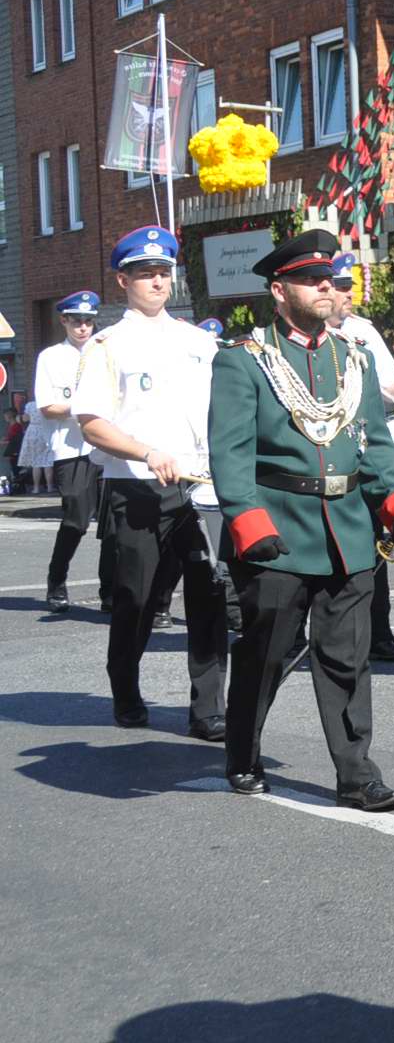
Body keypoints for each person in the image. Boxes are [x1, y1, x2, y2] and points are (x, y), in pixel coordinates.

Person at [210, 229, 394, 808]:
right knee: (266, 654)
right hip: (278, 531)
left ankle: (357, 775)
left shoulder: (354, 360)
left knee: (347, 660)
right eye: (310, 280)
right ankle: (242, 752)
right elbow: (230, 453)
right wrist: (247, 520)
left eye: (328, 279)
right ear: (280, 291)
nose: (326, 287)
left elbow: (373, 444)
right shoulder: (243, 360)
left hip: (348, 531)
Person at [70, 230, 227, 738]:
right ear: (123, 281)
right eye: (145, 274)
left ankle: (208, 708)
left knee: (208, 596)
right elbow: (92, 424)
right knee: (136, 599)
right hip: (138, 487)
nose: (158, 282)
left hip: (200, 487)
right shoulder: (108, 345)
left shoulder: (200, 342)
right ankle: (126, 688)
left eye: (164, 273)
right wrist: (145, 452)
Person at [328, 252, 394, 663]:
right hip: (327, 457)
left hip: (364, 453)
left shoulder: (363, 331)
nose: (347, 294)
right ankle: (296, 635)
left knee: (373, 545)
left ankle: (378, 634)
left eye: (349, 286)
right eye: (339, 287)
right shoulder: (308, 336)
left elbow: (390, 386)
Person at [37, 290, 118, 613]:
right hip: (72, 449)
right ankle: (56, 579)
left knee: (113, 525)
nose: (83, 327)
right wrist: (84, 407)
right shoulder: (51, 357)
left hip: (108, 446)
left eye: (88, 321)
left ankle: (110, 591)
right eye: (76, 321)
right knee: (76, 520)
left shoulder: (106, 352)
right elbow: (47, 407)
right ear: (64, 321)